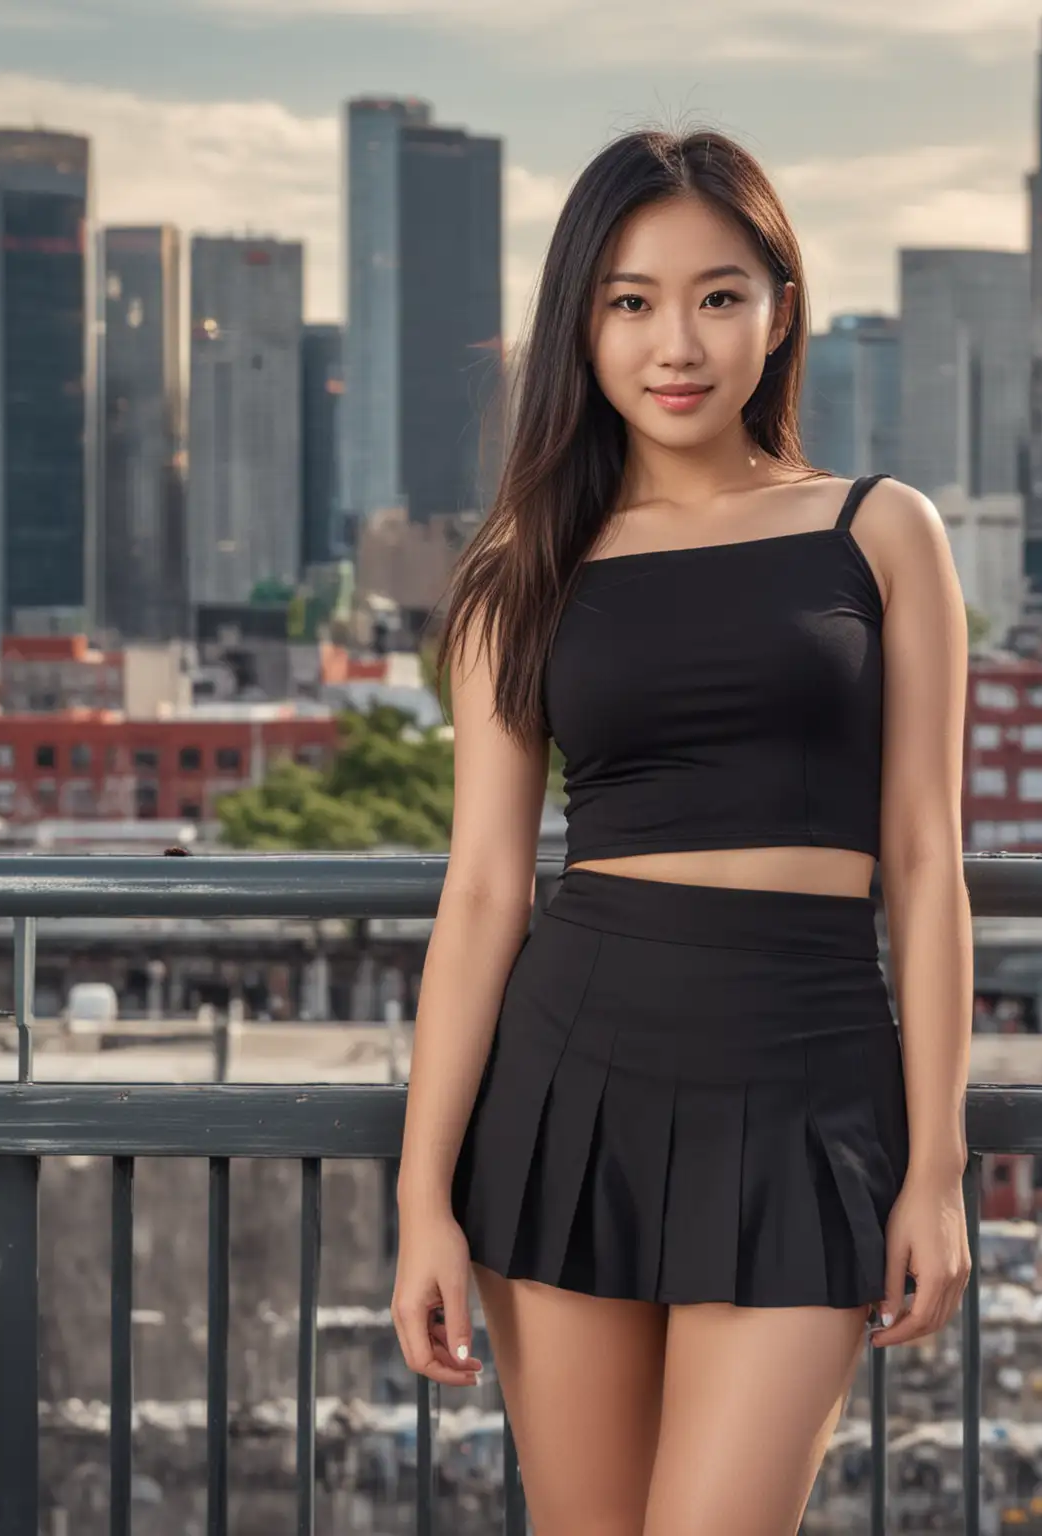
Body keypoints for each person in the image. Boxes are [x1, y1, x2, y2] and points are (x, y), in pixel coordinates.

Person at [392, 124, 975, 1536]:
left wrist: (939, 1169)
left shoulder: (882, 531)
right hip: (567, 1088)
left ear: (780, 311)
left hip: (808, 1093)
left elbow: (923, 861)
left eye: (719, 295)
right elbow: (481, 894)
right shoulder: (518, 573)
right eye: (630, 300)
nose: (679, 342)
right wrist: (421, 1200)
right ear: (579, 325)